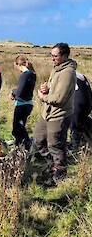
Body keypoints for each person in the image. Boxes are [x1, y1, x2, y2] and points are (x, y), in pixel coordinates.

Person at [34, 43, 77, 187]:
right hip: (47, 113)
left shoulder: (67, 73)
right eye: (51, 55)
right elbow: (53, 90)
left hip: (58, 115)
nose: (52, 59)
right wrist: (45, 88)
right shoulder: (57, 69)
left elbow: (59, 99)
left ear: (64, 56)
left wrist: (42, 96)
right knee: (39, 139)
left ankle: (59, 176)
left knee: (55, 146)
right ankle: (52, 167)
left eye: (55, 56)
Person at [9, 56, 36, 150]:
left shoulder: (25, 75)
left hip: (22, 105)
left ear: (18, 64)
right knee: (20, 127)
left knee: (18, 129)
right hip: (28, 103)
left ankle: (25, 147)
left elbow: (20, 92)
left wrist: (13, 92)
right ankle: (22, 147)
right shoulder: (32, 74)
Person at [70, 72, 92, 148]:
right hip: (87, 103)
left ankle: (76, 148)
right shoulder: (81, 75)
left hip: (76, 104)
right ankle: (87, 143)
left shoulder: (67, 75)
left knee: (74, 127)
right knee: (84, 124)